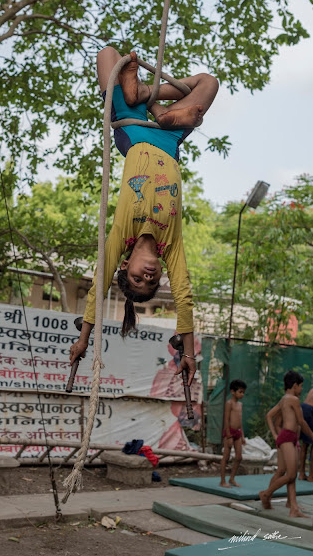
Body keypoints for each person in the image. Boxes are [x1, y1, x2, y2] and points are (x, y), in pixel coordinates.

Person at [69, 47, 219, 384]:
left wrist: (84, 338)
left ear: (125, 265)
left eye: (138, 278)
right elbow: (184, 295)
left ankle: (141, 94)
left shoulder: (121, 234)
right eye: (152, 281)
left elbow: (98, 284)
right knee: (208, 82)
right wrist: (189, 354)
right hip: (168, 137)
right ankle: (153, 102)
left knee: (108, 54)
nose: (148, 275)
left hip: (133, 133)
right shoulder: (171, 244)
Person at [259, 370, 313, 518]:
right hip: (287, 437)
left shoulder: (284, 399)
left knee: (286, 472)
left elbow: (269, 415)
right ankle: (266, 494)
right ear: (294, 386)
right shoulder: (292, 399)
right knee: (291, 474)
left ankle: (293, 508)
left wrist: (275, 434)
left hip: (288, 437)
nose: (302, 389)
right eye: (301, 386)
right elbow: (301, 421)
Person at [219, 379, 247, 487]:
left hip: (238, 433)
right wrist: (228, 434)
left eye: (243, 392)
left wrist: (242, 436)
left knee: (239, 457)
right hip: (229, 431)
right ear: (232, 392)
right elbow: (226, 419)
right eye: (240, 392)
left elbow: (240, 421)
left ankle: (232, 478)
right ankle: (222, 481)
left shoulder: (240, 404)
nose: (242, 394)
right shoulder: (229, 403)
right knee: (226, 456)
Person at [298, 384, 313, 482]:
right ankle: (311, 475)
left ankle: (301, 473)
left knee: (305, 444)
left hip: (303, 408)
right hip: (310, 410)